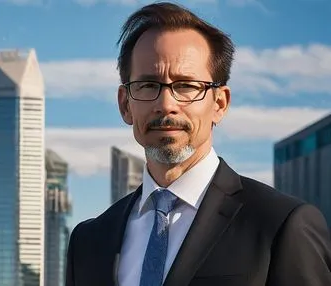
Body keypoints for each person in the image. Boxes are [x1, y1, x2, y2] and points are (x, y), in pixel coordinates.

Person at [65, 2, 331, 286]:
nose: (166, 105)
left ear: (219, 103)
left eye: (186, 86)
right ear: (125, 104)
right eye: (147, 85)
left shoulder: (280, 225)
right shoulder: (88, 242)